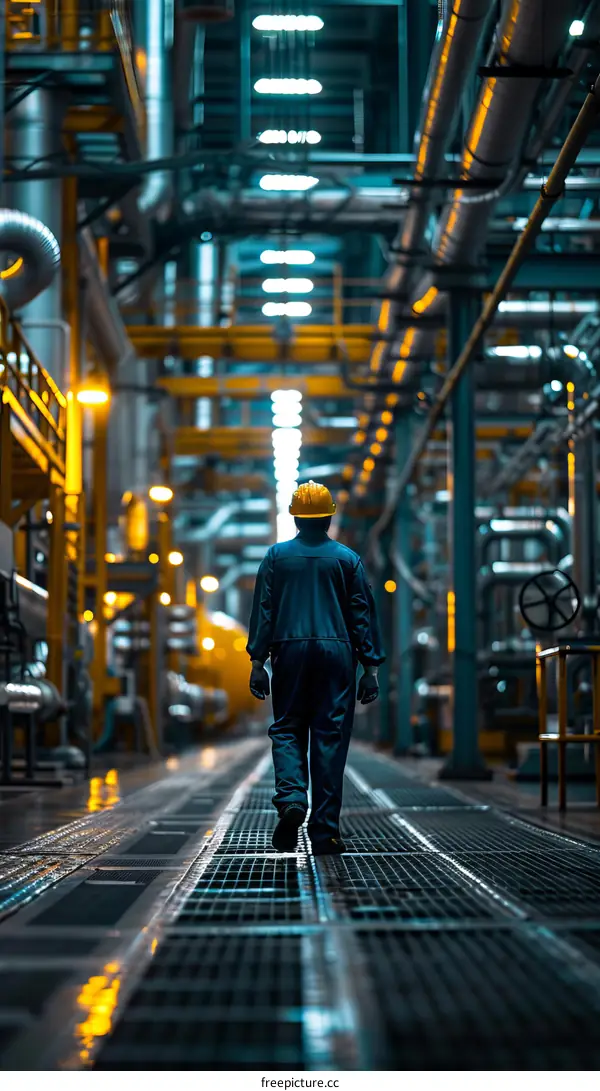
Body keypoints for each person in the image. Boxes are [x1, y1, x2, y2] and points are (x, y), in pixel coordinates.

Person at [246, 480, 385, 856]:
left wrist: (258, 661)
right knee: (330, 738)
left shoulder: (275, 558)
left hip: (288, 652)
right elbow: (361, 615)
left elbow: (263, 611)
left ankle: (292, 799)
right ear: (328, 517)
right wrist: (370, 667)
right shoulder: (347, 559)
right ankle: (324, 834)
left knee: (288, 728)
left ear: (295, 517)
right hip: (336, 654)